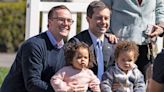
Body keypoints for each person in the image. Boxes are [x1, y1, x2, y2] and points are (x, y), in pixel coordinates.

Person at [0, 5, 83, 92]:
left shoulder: (66, 49)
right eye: (61, 19)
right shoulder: (33, 46)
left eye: (69, 20)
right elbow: (32, 83)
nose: (66, 23)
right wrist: (62, 90)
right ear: (49, 22)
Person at [101, 0, 164, 78]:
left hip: (147, 45)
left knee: (143, 85)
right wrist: (108, 31)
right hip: (120, 46)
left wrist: (161, 26)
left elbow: (160, 8)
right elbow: (103, 7)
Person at [68, 1, 114, 81]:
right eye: (99, 18)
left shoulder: (113, 43)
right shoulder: (76, 43)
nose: (103, 22)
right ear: (88, 19)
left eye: (106, 18)